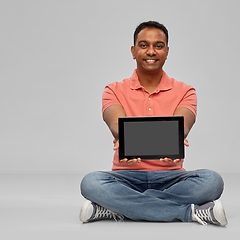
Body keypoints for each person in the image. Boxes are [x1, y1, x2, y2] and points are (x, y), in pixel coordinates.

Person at [79, 21, 228, 226]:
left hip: (172, 179)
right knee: (91, 183)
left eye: (158, 46)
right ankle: (188, 213)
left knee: (212, 181)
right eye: (143, 45)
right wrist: (125, 137)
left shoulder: (186, 91)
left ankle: (117, 207)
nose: (151, 51)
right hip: (125, 177)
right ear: (133, 51)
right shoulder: (113, 90)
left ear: (167, 52)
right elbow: (116, 124)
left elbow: (182, 125)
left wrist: (174, 138)